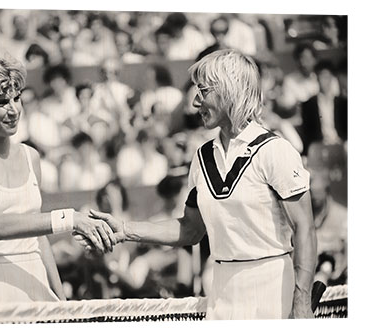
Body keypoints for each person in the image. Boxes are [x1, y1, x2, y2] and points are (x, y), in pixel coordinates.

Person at [81, 49, 317, 319]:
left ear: (230, 91)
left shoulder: (276, 150)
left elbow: (305, 229)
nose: (195, 102)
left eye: (203, 91)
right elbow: (190, 229)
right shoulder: (202, 156)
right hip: (221, 293)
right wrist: (124, 230)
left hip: (275, 292)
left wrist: (301, 301)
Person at [0, 39, 115, 303]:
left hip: (36, 291)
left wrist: (61, 301)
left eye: (17, 98)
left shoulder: (30, 156)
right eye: (1, 102)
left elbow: (38, 239)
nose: (13, 110)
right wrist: (71, 219)